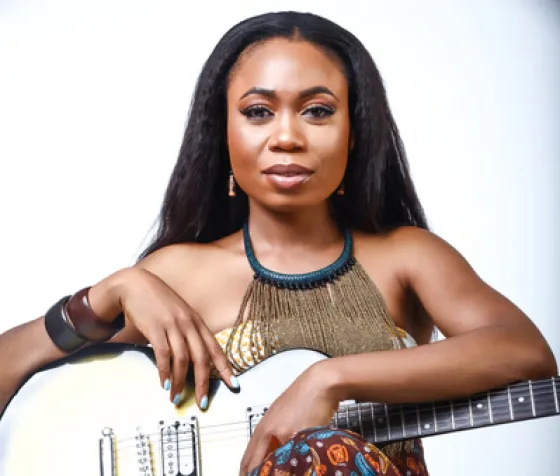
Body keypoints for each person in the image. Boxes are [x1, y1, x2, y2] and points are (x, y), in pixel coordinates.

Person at [0, 10, 556, 476]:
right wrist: (108, 293)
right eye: (258, 112)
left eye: (317, 111)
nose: (287, 136)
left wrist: (329, 378)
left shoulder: (408, 257)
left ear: (354, 132)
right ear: (222, 132)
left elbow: (526, 353)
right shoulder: (179, 275)